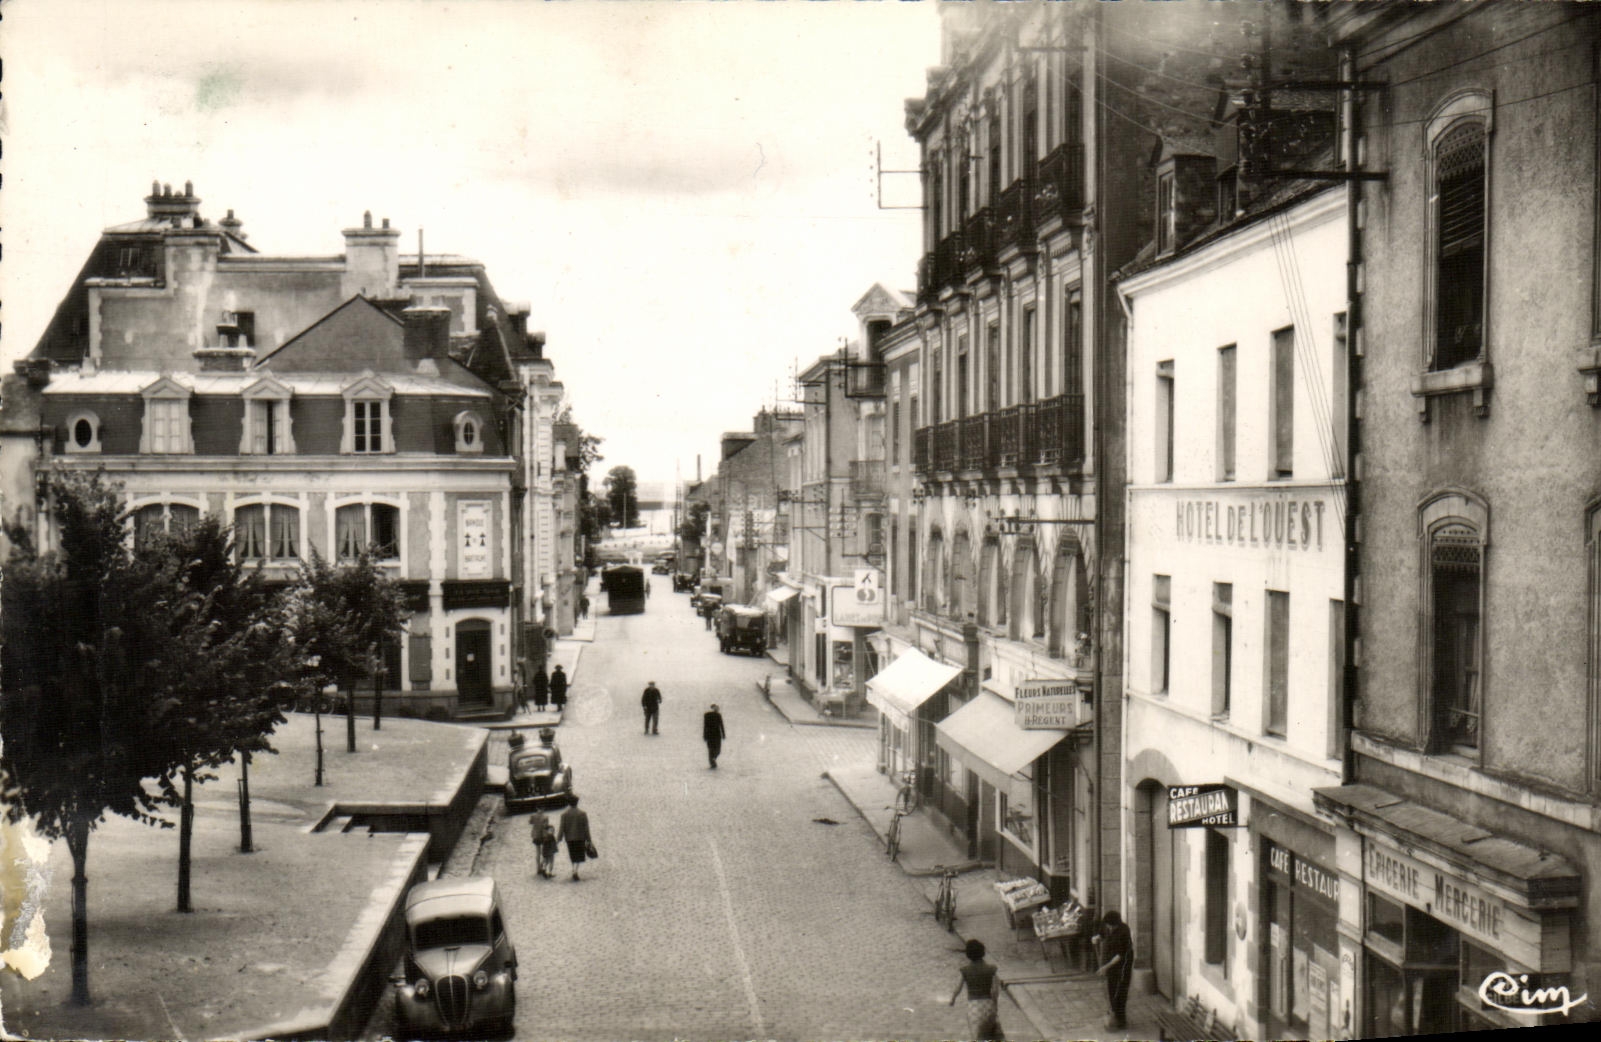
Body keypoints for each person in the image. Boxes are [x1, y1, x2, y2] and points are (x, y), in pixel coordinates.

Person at [949, 938, 1004, 1042]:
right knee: (994, 1036)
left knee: (977, 1036)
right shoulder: (991, 969)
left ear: (968, 955)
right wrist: (995, 1005)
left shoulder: (965, 971)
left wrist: (953, 999)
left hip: (973, 1007)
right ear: (983, 952)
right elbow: (995, 991)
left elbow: (958, 988)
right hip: (988, 1005)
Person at [1094, 909, 1135, 1030]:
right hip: (1110, 961)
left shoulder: (1124, 931)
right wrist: (1096, 937)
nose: (1109, 929)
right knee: (1111, 989)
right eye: (1107, 926)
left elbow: (1120, 955)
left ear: (1117, 924)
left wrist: (1105, 967)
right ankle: (1113, 1014)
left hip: (1122, 965)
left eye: (1111, 927)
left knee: (1120, 991)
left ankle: (1121, 1021)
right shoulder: (1107, 926)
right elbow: (1102, 934)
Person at [556, 795, 591, 881]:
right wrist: (589, 839)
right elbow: (586, 828)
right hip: (580, 837)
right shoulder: (582, 814)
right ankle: (575, 871)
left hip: (569, 838)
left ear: (569, 803)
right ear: (577, 803)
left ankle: (574, 869)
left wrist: (558, 839)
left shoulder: (564, 815)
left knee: (573, 854)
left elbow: (562, 828)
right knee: (579, 855)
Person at [529, 808, 557, 879]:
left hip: (536, 835)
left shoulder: (533, 815)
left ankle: (538, 868)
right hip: (543, 836)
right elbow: (546, 827)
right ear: (543, 809)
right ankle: (543, 865)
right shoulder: (545, 817)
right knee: (544, 852)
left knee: (537, 852)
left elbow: (530, 822)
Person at [703, 702, 726, 769]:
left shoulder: (707, 715)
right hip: (715, 735)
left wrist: (704, 735)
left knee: (712, 749)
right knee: (716, 749)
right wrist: (723, 734)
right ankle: (713, 760)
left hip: (711, 734)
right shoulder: (716, 715)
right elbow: (721, 725)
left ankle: (712, 760)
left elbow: (705, 726)